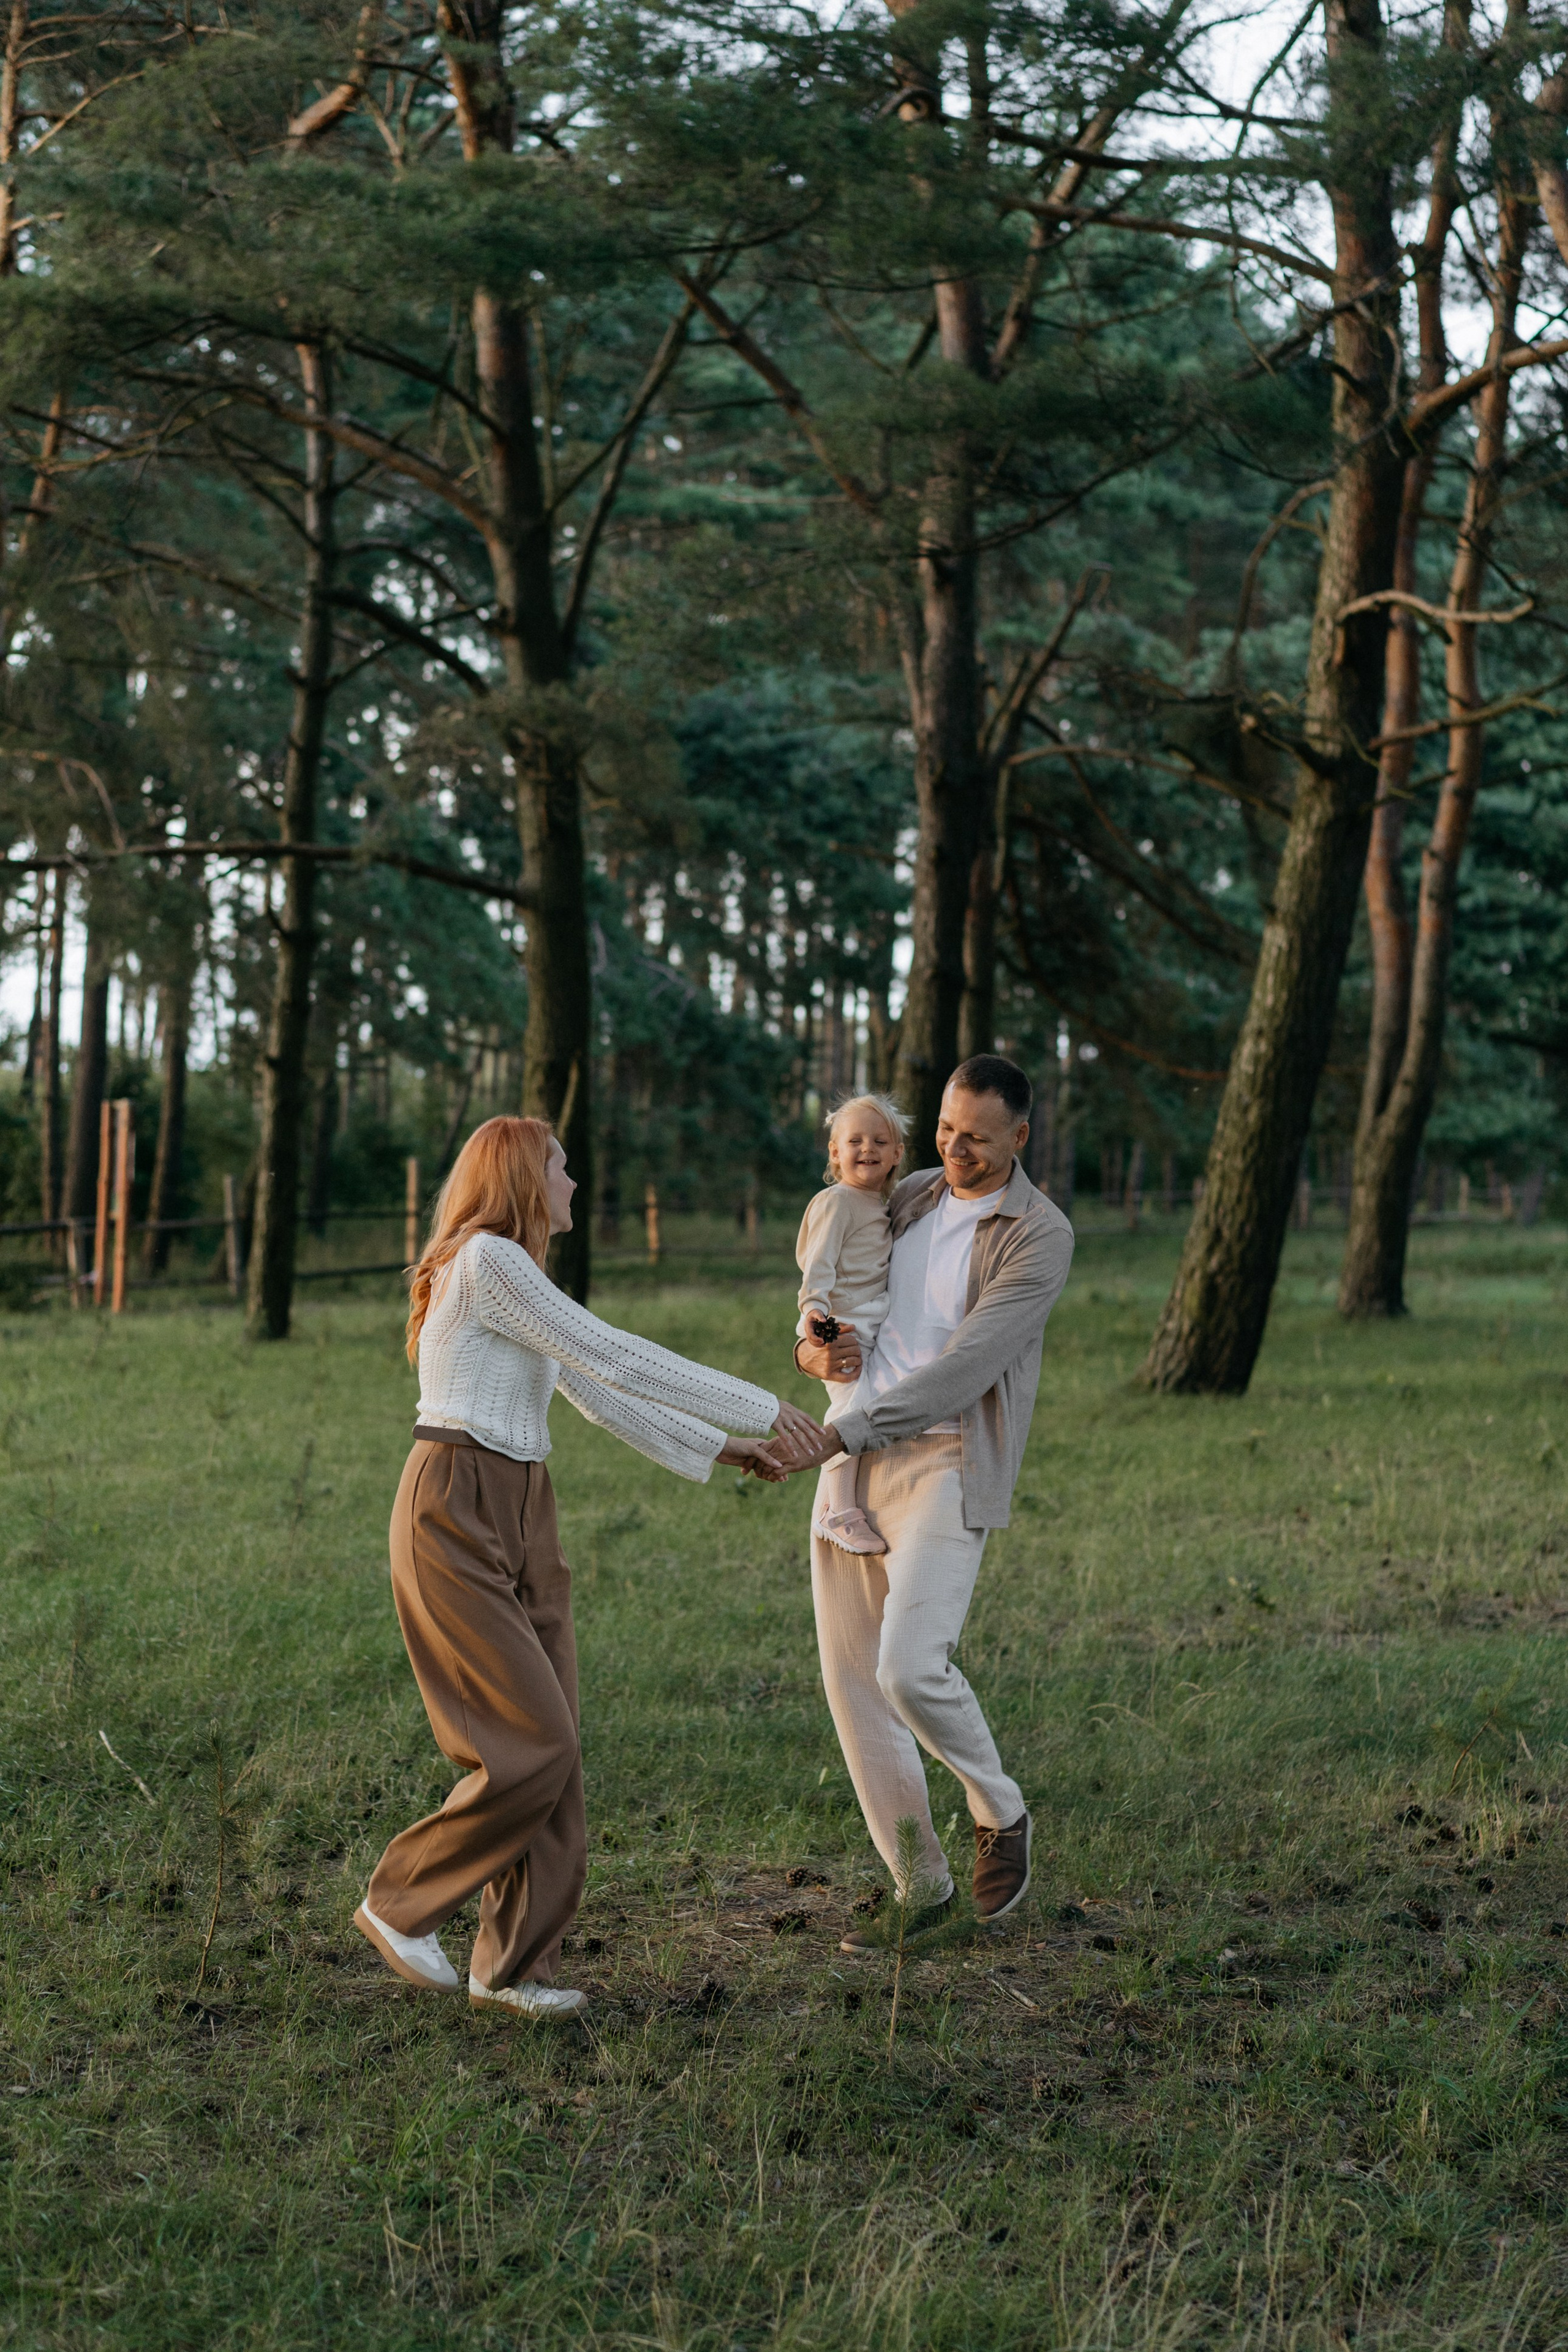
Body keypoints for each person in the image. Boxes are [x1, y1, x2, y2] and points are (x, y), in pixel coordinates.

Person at [354, 1115, 824, 2022]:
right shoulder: (488, 1261)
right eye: (562, 1167)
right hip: (454, 1504)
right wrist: (770, 1403)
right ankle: (401, 1899)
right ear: (526, 1178)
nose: (574, 1181)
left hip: (527, 1511)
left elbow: (597, 1394)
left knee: (557, 1748)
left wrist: (724, 1446)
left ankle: (513, 1968)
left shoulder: (518, 1277)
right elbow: (612, 1351)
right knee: (531, 1742)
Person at [789, 1055, 1074, 1944]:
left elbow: (964, 1370)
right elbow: (832, 1289)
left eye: (978, 1139)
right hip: (855, 1458)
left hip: (945, 1462)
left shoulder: (1038, 1234)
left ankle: (1000, 1810)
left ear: (1020, 1139)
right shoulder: (904, 1194)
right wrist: (815, 1350)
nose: (957, 1150)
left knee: (909, 1666)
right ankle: (923, 1884)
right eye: (948, 1132)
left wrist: (842, 1431)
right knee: (853, 1684)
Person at [794, 1094, 909, 1556]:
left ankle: (848, 1502)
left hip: (874, 1319)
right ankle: (835, 1511)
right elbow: (816, 1266)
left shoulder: (881, 1204)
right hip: (840, 1326)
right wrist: (815, 1316)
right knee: (853, 1410)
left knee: (871, 1403)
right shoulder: (837, 1201)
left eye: (880, 1141)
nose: (868, 1148)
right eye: (855, 1140)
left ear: (897, 1154)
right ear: (834, 1153)